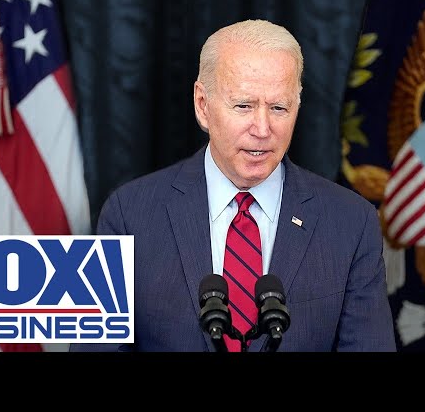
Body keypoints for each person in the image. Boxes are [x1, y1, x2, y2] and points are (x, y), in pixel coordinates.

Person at [70, 19, 396, 352]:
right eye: (243, 106)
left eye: (279, 108)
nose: (262, 128)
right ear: (203, 105)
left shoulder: (350, 223)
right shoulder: (129, 215)